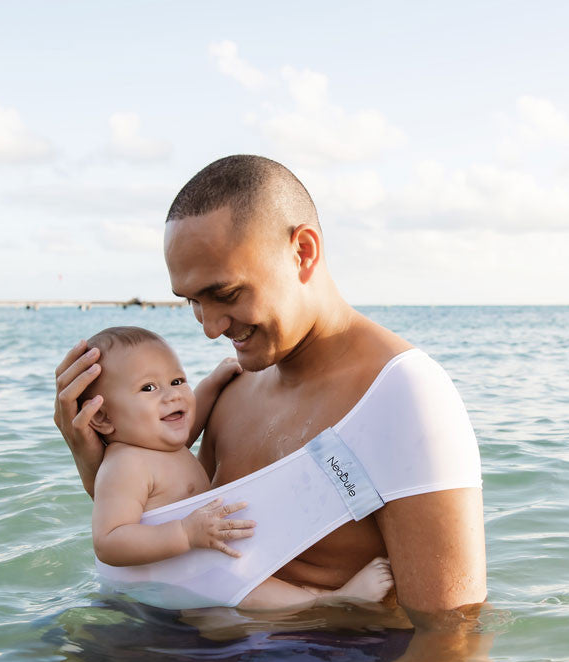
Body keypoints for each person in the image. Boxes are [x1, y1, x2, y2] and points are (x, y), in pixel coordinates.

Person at [54, 154, 486, 622]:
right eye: (193, 302)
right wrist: (95, 458)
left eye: (226, 294)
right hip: (189, 652)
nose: (211, 328)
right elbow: (177, 534)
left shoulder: (405, 397)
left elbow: (449, 635)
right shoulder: (233, 390)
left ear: (303, 252)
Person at [81, 324, 394, 610]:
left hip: (192, 570)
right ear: (104, 418)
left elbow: (190, 418)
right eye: (148, 388)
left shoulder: (157, 443)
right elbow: (109, 541)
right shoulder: (125, 465)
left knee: (237, 578)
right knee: (247, 590)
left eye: (177, 381)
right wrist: (184, 533)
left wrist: (211, 384)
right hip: (170, 577)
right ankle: (329, 600)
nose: (172, 395)